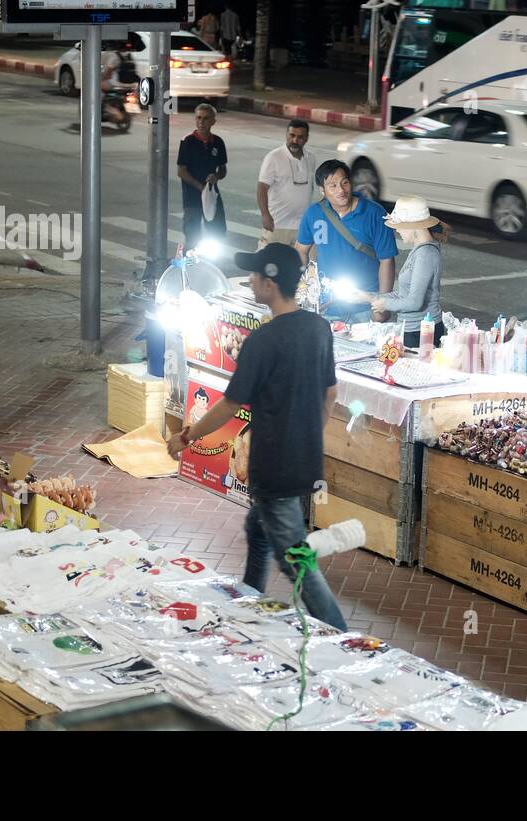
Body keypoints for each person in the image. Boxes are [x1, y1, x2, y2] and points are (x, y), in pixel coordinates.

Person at [168, 243, 347, 631]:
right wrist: (309, 435)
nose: (249, 281)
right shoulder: (319, 328)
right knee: (258, 527)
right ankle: (249, 598)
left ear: (269, 283)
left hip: (274, 466)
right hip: (305, 461)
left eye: (253, 276)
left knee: (297, 563)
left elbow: (230, 405)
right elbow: (330, 394)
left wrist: (186, 437)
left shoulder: (263, 341)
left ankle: (343, 636)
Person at [294, 159, 397, 323]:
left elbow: (387, 260)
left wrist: (382, 304)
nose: (340, 190)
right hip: (326, 306)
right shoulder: (314, 214)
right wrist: (300, 291)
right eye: (332, 186)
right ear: (322, 190)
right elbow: (300, 250)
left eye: (345, 183)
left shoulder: (374, 213)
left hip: (365, 308)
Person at [368, 195, 445, 349]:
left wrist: (385, 303)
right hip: (413, 329)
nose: (396, 230)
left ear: (413, 225)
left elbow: (414, 302)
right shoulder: (419, 250)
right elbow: (405, 293)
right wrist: (373, 297)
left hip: (421, 332)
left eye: (399, 225)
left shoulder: (425, 254)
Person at [257, 119, 315, 249]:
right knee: (266, 266)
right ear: (286, 135)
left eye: (300, 137)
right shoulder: (274, 157)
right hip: (277, 224)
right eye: (292, 135)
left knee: (302, 266)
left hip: (301, 226)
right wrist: (265, 214)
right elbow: (262, 187)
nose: (295, 140)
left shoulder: (310, 158)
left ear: (306, 138)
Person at [177, 104, 227, 250]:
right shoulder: (188, 142)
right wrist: (200, 187)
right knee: (192, 235)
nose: (202, 122)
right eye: (199, 118)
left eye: (206, 119)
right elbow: (181, 171)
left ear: (213, 122)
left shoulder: (218, 142)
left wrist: (216, 176)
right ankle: (188, 264)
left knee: (218, 231)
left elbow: (223, 169)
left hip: (211, 195)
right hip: (192, 197)